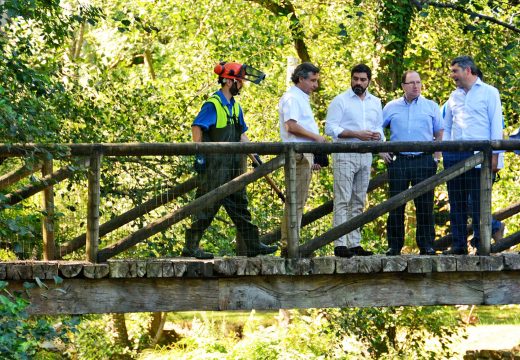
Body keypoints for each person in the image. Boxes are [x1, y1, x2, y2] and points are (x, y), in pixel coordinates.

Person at [183, 62, 278, 259]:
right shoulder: (213, 104)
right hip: (215, 166)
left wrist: (255, 155)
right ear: (227, 81)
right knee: (206, 207)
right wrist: (199, 152)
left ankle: (253, 245)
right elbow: (197, 126)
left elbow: (241, 134)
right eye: (239, 81)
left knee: (240, 206)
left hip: (234, 166)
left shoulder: (235, 107)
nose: (241, 85)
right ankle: (191, 246)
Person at [442, 56, 503, 255]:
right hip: (456, 156)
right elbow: (448, 126)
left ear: (467, 71)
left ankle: (481, 244)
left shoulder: (489, 92)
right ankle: (458, 245)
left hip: (481, 157)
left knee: (478, 203)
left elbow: (496, 126)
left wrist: (496, 157)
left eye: (455, 71)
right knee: (456, 203)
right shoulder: (454, 96)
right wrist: (448, 151)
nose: (452, 76)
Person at [379, 70, 443, 256]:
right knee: (396, 204)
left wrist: (436, 157)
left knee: (425, 205)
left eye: (419, 82)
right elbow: (378, 129)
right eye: (412, 83)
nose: (416, 86)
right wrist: (382, 149)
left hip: (424, 160)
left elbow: (439, 132)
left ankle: (427, 245)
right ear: (403, 86)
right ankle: (394, 246)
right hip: (399, 161)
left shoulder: (431, 106)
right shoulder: (391, 107)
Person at [325, 64, 383, 258]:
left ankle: (354, 243)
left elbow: (379, 127)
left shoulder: (376, 102)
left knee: (358, 200)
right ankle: (340, 243)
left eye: (362, 79)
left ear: (369, 81)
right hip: (344, 153)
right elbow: (330, 129)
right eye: (355, 79)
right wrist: (356, 134)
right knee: (342, 199)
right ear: (351, 78)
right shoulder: (340, 101)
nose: (358, 83)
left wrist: (377, 136)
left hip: (366, 154)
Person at [278, 62, 326, 252]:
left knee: (298, 200)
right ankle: (290, 245)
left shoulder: (300, 98)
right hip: (297, 153)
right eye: (312, 80)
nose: (315, 85)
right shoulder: (292, 98)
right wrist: (317, 138)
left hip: (304, 153)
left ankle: (291, 243)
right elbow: (292, 126)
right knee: (295, 200)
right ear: (301, 78)